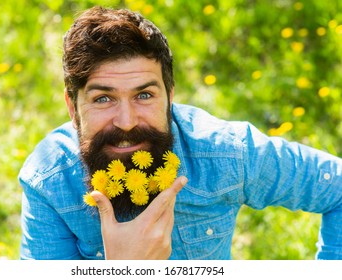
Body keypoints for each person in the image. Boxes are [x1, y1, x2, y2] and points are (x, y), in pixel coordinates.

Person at [18, 6, 342, 260]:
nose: (127, 121)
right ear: (73, 107)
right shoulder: (49, 183)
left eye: (144, 95)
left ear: (170, 96)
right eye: (103, 98)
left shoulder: (225, 153)